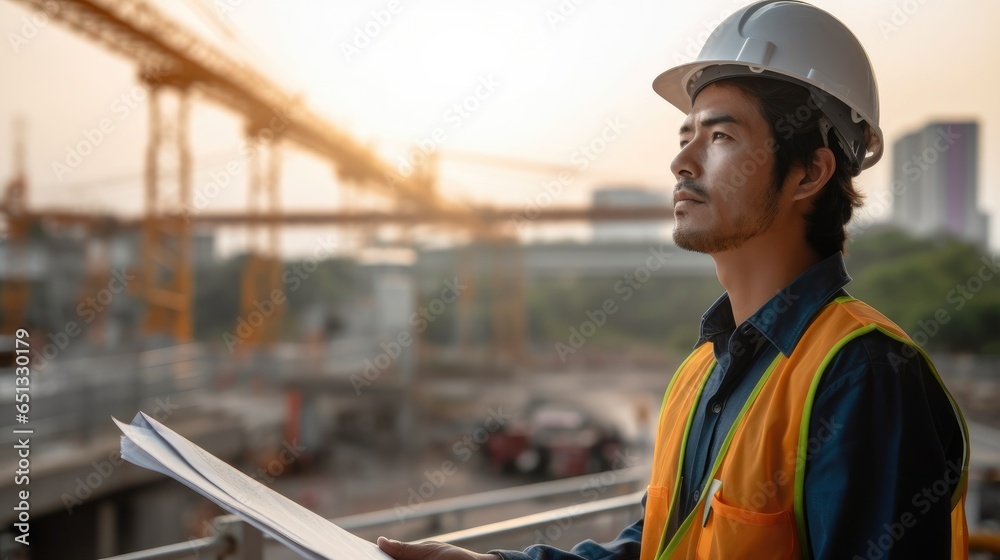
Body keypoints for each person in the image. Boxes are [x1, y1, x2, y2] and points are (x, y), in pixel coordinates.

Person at [377, 1, 970, 559]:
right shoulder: (699, 374)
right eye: (685, 136)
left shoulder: (862, 375)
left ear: (810, 172)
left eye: (720, 137)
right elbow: (658, 545)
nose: (682, 162)